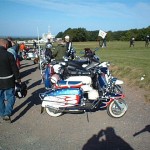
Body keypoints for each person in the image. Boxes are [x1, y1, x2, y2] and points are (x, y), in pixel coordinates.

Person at [0, 39, 21, 123]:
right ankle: (7, 113)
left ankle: (2, 113)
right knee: (11, 96)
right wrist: (18, 78)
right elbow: (14, 68)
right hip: (9, 80)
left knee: (0, 98)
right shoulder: (9, 55)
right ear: (5, 46)